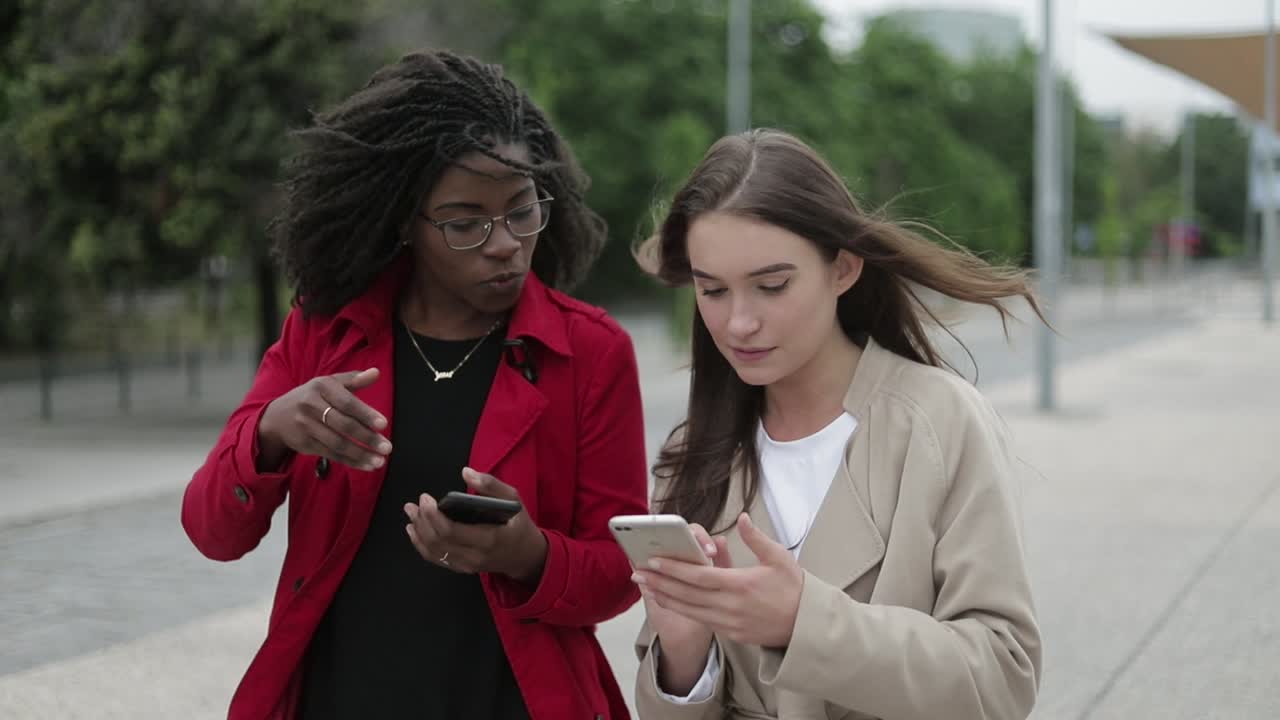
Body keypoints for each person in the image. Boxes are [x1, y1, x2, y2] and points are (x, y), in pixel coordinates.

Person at [181, 49, 648, 720]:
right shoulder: (324, 332)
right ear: (405, 222)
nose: (504, 243)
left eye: (522, 212)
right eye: (465, 223)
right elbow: (212, 532)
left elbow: (618, 574)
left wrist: (528, 553)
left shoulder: (592, 352)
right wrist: (272, 430)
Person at [630, 129, 1043, 720]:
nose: (739, 322)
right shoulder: (693, 452)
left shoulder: (939, 422)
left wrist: (804, 622)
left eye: (772, 286)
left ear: (843, 269)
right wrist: (685, 658)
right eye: (712, 290)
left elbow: (1003, 675)